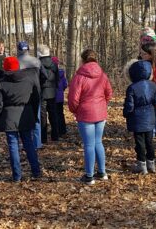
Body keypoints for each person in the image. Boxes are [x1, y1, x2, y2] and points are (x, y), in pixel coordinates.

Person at [0, 57, 41, 182]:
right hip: (26, 115)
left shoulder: (2, 83)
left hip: (10, 117)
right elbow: (36, 99)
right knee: (28, 143)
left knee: (13, 146)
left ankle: (17, 176)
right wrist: (34, 115)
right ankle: (36, 171)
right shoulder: (29, 80)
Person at [68, 49, 112, 185]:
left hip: (86, 113)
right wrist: (102, 104)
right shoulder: (102, 75)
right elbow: (109, 93)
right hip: (100, 112)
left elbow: (73, 98)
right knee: (98, 142)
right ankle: (102, 172)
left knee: (89, 144)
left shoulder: (79, 76)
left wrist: (75, 110)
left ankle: (89, 176)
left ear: (83, 60)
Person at [123, 60, 156, 175]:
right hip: (149, 117)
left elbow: (130, 105)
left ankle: (141, 164)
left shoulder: (132, 88)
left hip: (137, 119)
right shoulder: (153, 85)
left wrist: (126, 113)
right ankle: (151, 163)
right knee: (149, 141)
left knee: (140, 143)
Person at [17, 41, 46, 149]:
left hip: (20, 94)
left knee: (21, 118)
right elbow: (44, 76)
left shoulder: (16, 62)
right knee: (36, 118)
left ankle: (24, 142)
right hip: (35, 93)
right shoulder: (36, 61)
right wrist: (38, 85)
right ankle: (37, 143)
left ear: (18, 50)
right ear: (28, 49)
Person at [37, 45, 59, 143]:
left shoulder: (38, 64)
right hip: (52, 92)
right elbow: (57, 78)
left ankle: (43, 138)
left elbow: (37, 79)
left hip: (42, 92)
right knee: (53, 114)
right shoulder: (54, 64)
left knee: (43, 116)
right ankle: (55, 136)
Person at [52, 56, 68, 137]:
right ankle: (63, 130)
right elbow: (65, 84)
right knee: (60, 113)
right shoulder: (62, 73)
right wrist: (61, 90)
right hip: (60, 97)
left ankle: (57, 130)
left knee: (54, 114)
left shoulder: (51, 73)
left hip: (53, 97)